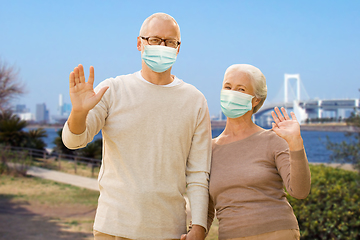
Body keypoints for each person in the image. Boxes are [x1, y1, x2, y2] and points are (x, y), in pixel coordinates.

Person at [62, 13, 211, 240]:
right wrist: (79, 112)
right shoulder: (112, 90)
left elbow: (198, 172)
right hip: (113, 227)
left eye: (170, 42)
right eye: (154, 39)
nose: (163, 46)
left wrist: (199, 227)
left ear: (178, 48)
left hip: (169, 230)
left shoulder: (195, 100)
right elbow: (74, 141)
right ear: (139, 43)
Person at [184, 64, 311, 240]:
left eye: (241, 89)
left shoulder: (273, 140)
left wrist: (296, 144)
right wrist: (194, 231)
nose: (231, 93)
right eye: (227, 87)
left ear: (255, 100)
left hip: (278, 233)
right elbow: (206, 209)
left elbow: (300, 191)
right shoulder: (209, 150)